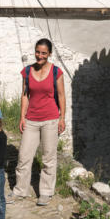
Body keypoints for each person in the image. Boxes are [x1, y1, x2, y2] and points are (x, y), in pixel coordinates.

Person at [9, 38, 66, 206]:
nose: (39, 56)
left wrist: (62, 117)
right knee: (24, 157)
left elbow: (62, 96)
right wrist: (22, 117)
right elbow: (25, 95)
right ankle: (20, 190)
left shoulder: (57, 72)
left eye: (43, 53)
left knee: (49, 158)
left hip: (50, 120)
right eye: (37, 52)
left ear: (49, 54)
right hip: (31, 120)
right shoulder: (27, 71)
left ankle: (46, 192)